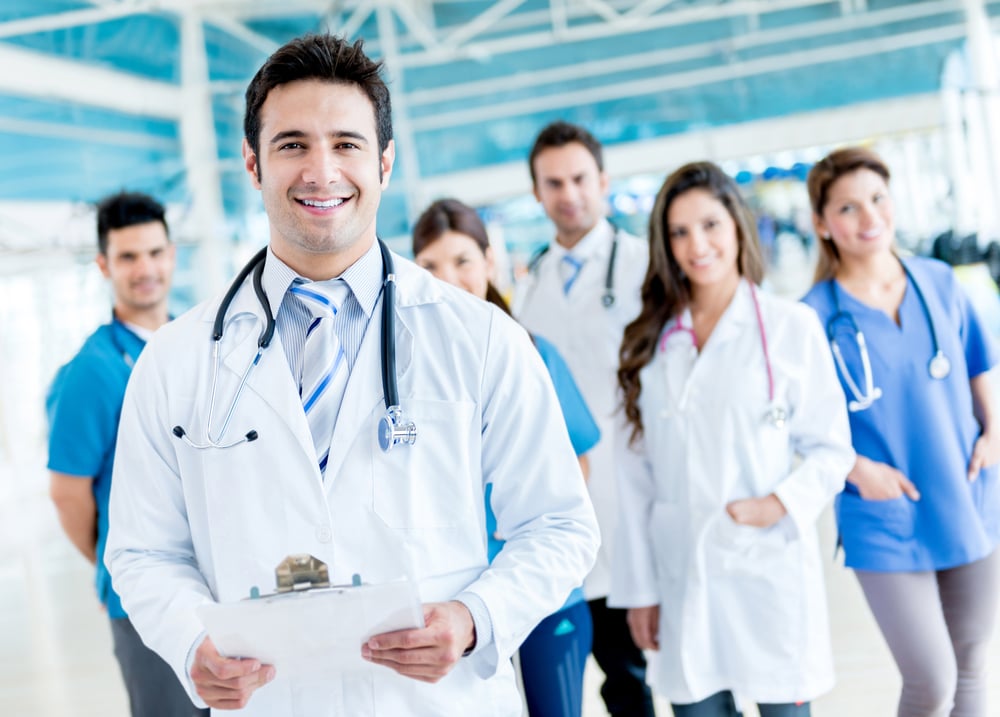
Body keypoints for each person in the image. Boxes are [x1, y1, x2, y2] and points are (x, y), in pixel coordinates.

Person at [104, 34, 599, 717]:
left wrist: (474, 614)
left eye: (346, 143)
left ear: (385, 161)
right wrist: (191, 641)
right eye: (291, 145)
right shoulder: (176, 359)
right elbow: (140, 550)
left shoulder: (480, 337)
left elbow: (561, 523)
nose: (321, 170)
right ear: (252, 162)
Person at [611, 161, 854, 716]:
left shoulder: (790, 328)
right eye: (679, 231)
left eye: (710, 225)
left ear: (737, 226)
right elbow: (634, 479)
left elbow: (833, 448)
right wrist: (641, 590)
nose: (697, 244)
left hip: (766, 569)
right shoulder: (649, 344)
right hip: (682, 578)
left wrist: (779, 504)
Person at [801, 147, 1000, 717]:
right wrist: (857, 470)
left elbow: (980, 365)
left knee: (972, 662)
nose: (869, 218)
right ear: (821, 224)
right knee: (932, 680)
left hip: (967, 487)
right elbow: (801, 428)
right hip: (882, 513)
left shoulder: (939, 280)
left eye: (878, 199)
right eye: (848, 207)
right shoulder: (811, 317)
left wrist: (993, 433)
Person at [413, 197, 599, 717]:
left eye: (463, 260)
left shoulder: (531, 352)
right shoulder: (405, 370)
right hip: (454, 599)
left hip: (539, 593)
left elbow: (577, 462)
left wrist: (508, 523)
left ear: (490, 262)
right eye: (430, 266)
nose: (449, 278)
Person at [512, 120, 655, 717]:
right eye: (553, 183)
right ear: (537, 193)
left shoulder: (646, 266)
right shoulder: (529, 287)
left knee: (638, 674)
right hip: (569, 499)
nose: (568, 193)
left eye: (578, 179)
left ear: (603, 181)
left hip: (634, 493)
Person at [46, 192, 205, 716]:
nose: (146, 269)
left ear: (173, 254)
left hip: (217, 587)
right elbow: (68, 495)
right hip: (147, 602)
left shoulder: (197, 344)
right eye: (129, 257)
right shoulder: (92, 371)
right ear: (103, 265)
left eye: (155, 253)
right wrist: (117, 564)